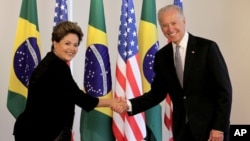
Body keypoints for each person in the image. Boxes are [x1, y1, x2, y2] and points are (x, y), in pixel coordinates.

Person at [116, 4, 232, 141]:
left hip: (210, 130)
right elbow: (157, 93)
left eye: (174, 23)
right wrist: (129, 104)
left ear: (184, 22)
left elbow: (224, 91)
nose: (170, 29)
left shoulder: (207, 48)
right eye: (165, 25)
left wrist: (219, 127)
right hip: (182, 131)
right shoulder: (162, 56)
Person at [13, 21, 125, 141]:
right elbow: (80, 98)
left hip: (35, 130)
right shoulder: (56, 67)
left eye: (75, 45)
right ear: (55, 43)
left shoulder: (51, 61)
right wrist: (112, 102)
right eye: (67, 43)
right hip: (40, 133)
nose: (72, 48)